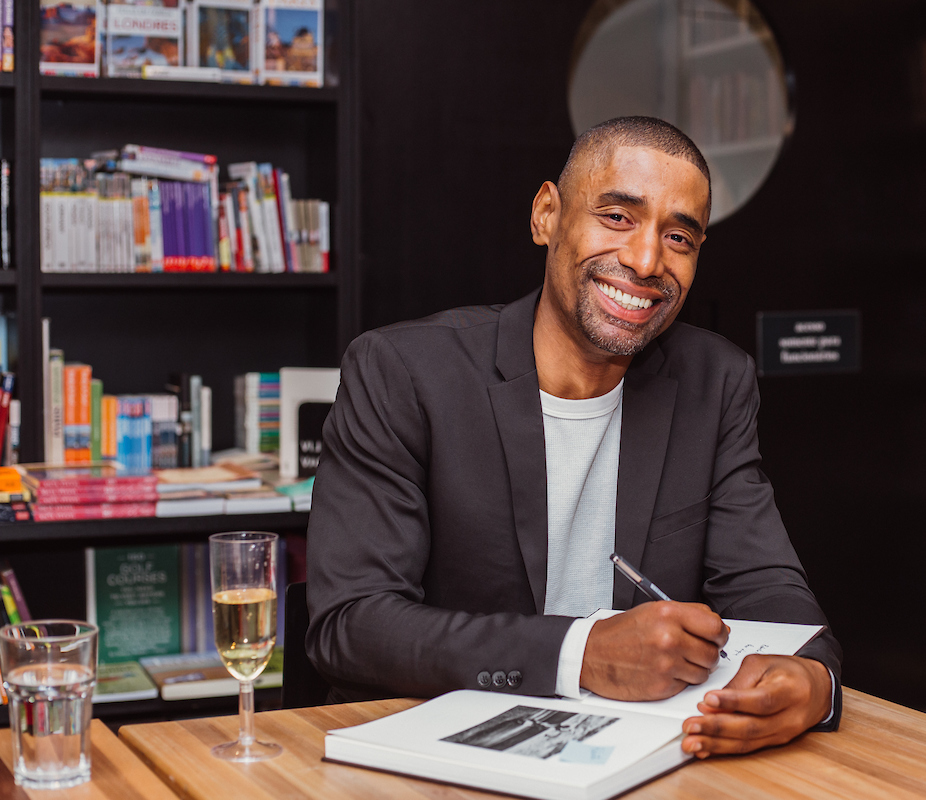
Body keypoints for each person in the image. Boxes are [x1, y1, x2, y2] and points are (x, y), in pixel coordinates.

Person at [306, 116, 842, 758]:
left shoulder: (714, 382)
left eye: (678, 237)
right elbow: (352, 626)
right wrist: (580, 653)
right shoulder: (403, 372)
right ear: (546, 216)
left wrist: (815, 680)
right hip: (439, 754)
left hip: (640, 756)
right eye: (618, 217)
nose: (647, 261)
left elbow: (768, 587)